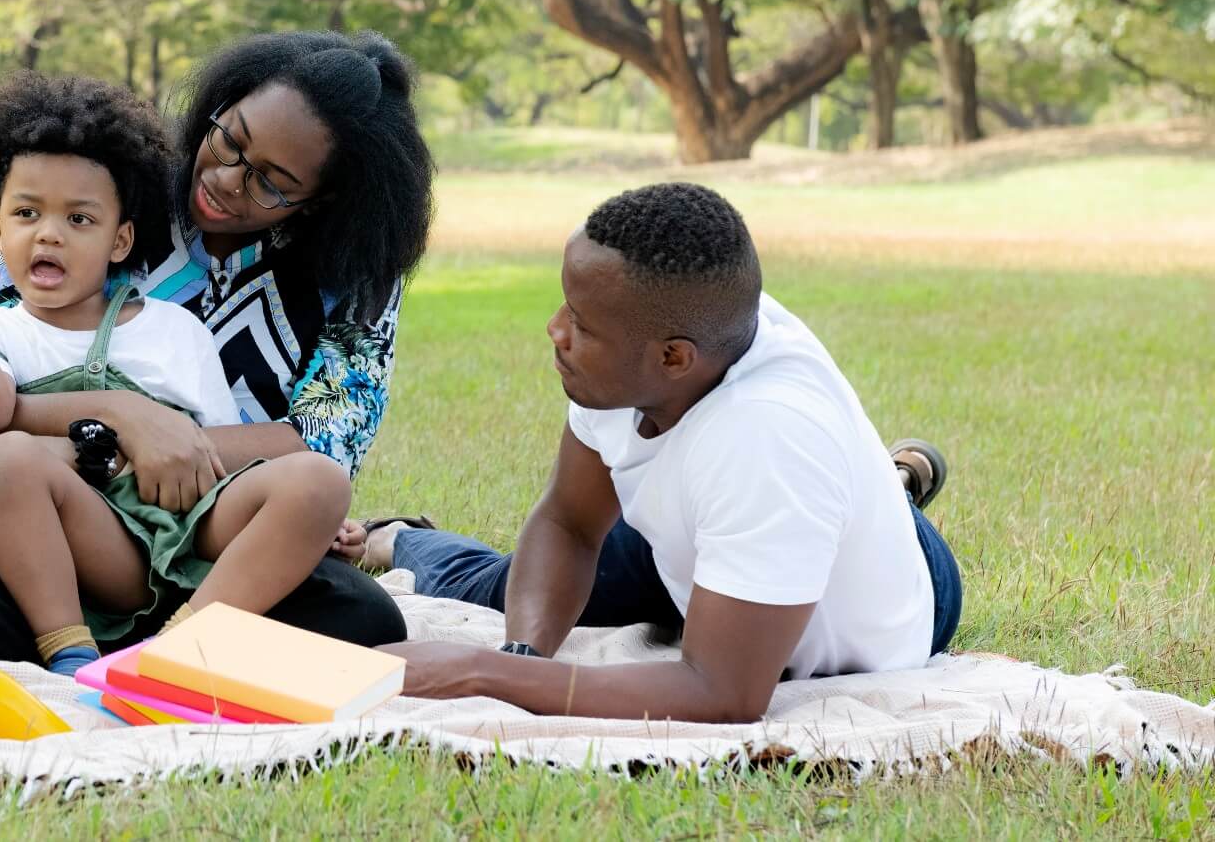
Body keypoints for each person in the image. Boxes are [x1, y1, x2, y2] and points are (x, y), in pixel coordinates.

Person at [0, 30, 435, 660]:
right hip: (13, 492)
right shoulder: (96, 197)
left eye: (271, 182)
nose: (227, 179)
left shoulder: (357, 279)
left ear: (324, 200)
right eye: (228, 139)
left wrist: (166, 450)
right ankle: (83, 644)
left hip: (197, 524)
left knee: (359, 622)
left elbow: (316, 448)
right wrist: (115, 423)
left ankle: (166, 650)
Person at [373, 182, 961, 722]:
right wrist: (524, 656)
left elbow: (724, 694)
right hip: (703, 529)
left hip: (905, 589)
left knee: (783, 492)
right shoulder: (653, 340)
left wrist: (488, 673)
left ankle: (888, 486)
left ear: (674, 358)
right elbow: (570, 523)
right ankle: (399, 535)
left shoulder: (767, 440)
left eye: (580, 323)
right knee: (499, 586)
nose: (555, 330)